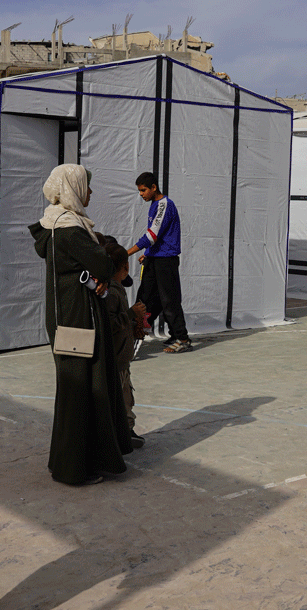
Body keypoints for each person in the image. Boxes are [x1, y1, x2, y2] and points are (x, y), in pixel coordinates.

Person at [29, 164, 133, 485]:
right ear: (72, 188)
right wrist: (101, 272)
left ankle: (74, 461)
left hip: (69, 318)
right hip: (77, 321)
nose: (90, 192)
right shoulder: (70, 229)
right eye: (86, 186)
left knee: (79, 390)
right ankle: (72, 470)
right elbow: (104, 263)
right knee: (79, 392)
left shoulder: (57, 224)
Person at [126, 171, 191, 353]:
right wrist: (148, 254)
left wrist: (126, 253)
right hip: (154, 258)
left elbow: (152, 235)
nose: (141, 194)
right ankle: (139, 331)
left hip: (166, 260)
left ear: (154, 187)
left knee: (169, 299)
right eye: (139, 191)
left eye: (143, 190)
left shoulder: (164, 205)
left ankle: (182, 338)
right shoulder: (154, 205)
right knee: (145, 298)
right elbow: (157, 237)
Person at [103, 238, 147, 449]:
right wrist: (131, 314)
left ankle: (126, 432)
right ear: (125, 268)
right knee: (120, 401)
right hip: (116, 359)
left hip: (122, 359)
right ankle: (121, 436)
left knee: (126, 398)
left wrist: (135, 322)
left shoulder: (116, 288)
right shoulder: (111, 292)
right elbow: (109, 324)